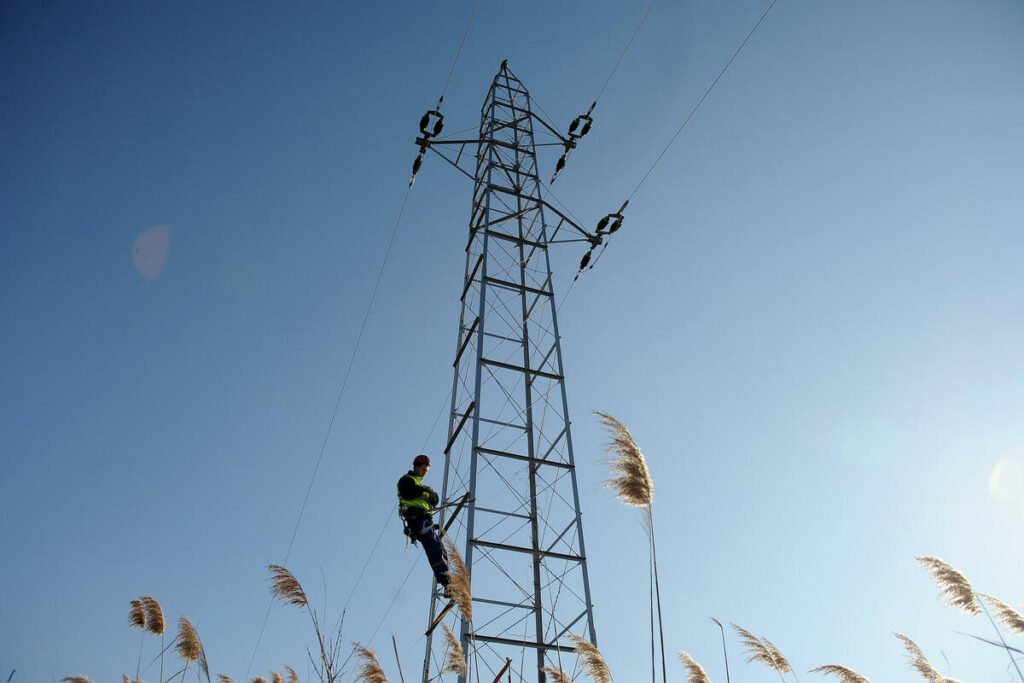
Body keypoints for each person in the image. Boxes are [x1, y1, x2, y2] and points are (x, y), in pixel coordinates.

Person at [397, 454, 450, 593]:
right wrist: (425, 490)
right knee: (435, 548)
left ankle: (447, 583)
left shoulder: (420, 485)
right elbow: (408, 493)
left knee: (439, 549)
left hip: (424, 521)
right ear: (415, 467)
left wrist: (433, 495)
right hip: (416, 519)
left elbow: (434, 500)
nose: (424, 473)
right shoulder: (407, 481)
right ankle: (447, 581)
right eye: (422, 470)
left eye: (426, 471)